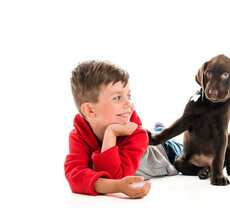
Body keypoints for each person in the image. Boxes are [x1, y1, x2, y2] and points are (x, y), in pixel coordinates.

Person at [64, 60, 183, 199]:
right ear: (90, 110)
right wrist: (117, 186)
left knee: (198, 155)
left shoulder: (135, 132)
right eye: (117, 97)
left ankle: (160, 131)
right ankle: (158, 129)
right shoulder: (79, 135)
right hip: (151, 142)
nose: (129, 104)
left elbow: (114, 176)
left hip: (167, 151)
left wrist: (111, 133)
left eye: (129, 95)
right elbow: (75, 177)